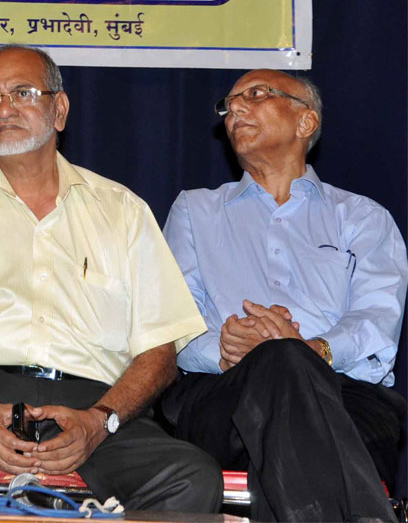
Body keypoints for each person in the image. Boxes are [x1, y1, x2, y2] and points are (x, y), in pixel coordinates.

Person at [0, 44, 222, 512]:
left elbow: (159, 354)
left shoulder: (122, 211)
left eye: (22, 92)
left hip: (94, 401)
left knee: (191, 479)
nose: (5, 108)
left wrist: (100, 421)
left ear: (59, 109)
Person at [161, 69, 407, 522]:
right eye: (229, 103)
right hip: (223, 395)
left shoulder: (363, 218)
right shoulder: (195, 210)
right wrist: (224, 346)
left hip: (346, 396)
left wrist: (313, 349)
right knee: (280, 360)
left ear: (305, 122)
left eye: (255, 95)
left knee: (287, 361)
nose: (234, 109)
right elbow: (173, 319)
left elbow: (377, 319)